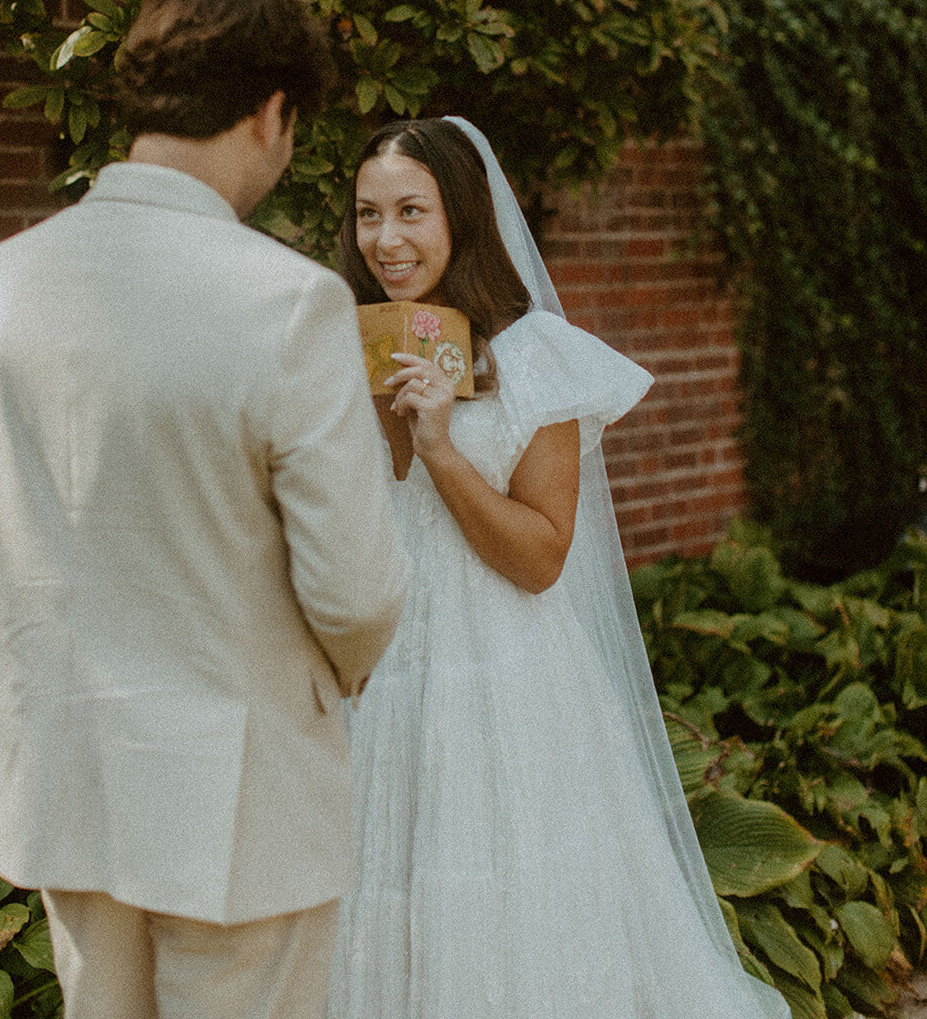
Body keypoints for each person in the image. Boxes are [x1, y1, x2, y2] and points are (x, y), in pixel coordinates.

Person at [0, 0, 411, 1019]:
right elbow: (355, 590)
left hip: (67, 760)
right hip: (243, 783)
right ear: (269, 113)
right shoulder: (289, 302)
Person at [325, 116, 791, 1019]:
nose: (384, 239)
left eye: (410, 211)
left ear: (459, 214)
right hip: (378, 672)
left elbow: (540, 558)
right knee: (384, 892)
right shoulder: (349, 345)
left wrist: (441, 451)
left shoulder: (533, 356)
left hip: (503, 676)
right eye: (366, 214)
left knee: (509, 897)